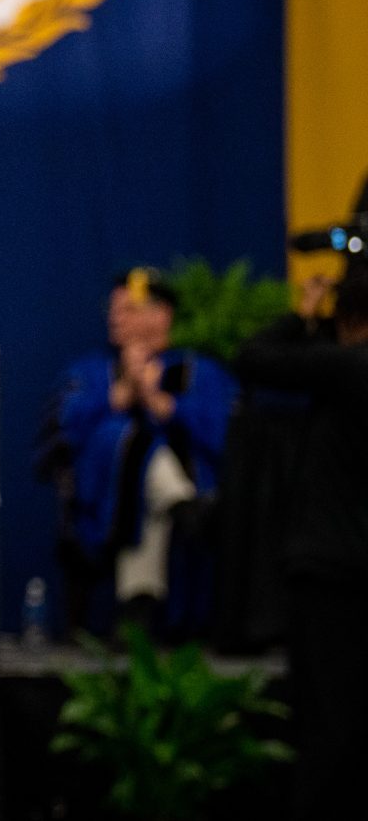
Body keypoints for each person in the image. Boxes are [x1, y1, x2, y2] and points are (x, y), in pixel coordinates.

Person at [36, 269, 234, 636]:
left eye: (128, 309)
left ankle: (138, 604)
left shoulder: (197, 372)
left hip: (143, 502)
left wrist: (164, 406)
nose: (115, 317)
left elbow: (225, 436)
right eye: (113, 309)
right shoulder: (93, 372)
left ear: (161, 316)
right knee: (123, 437)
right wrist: (122, 394)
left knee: (144, 487)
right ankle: (180, 501)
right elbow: (60, 435)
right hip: (98, 501)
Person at [236, 270, 368, 820]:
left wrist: (303, 313)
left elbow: (256, 359)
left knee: (323, 726)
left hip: (331, 573)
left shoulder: (347, 364)